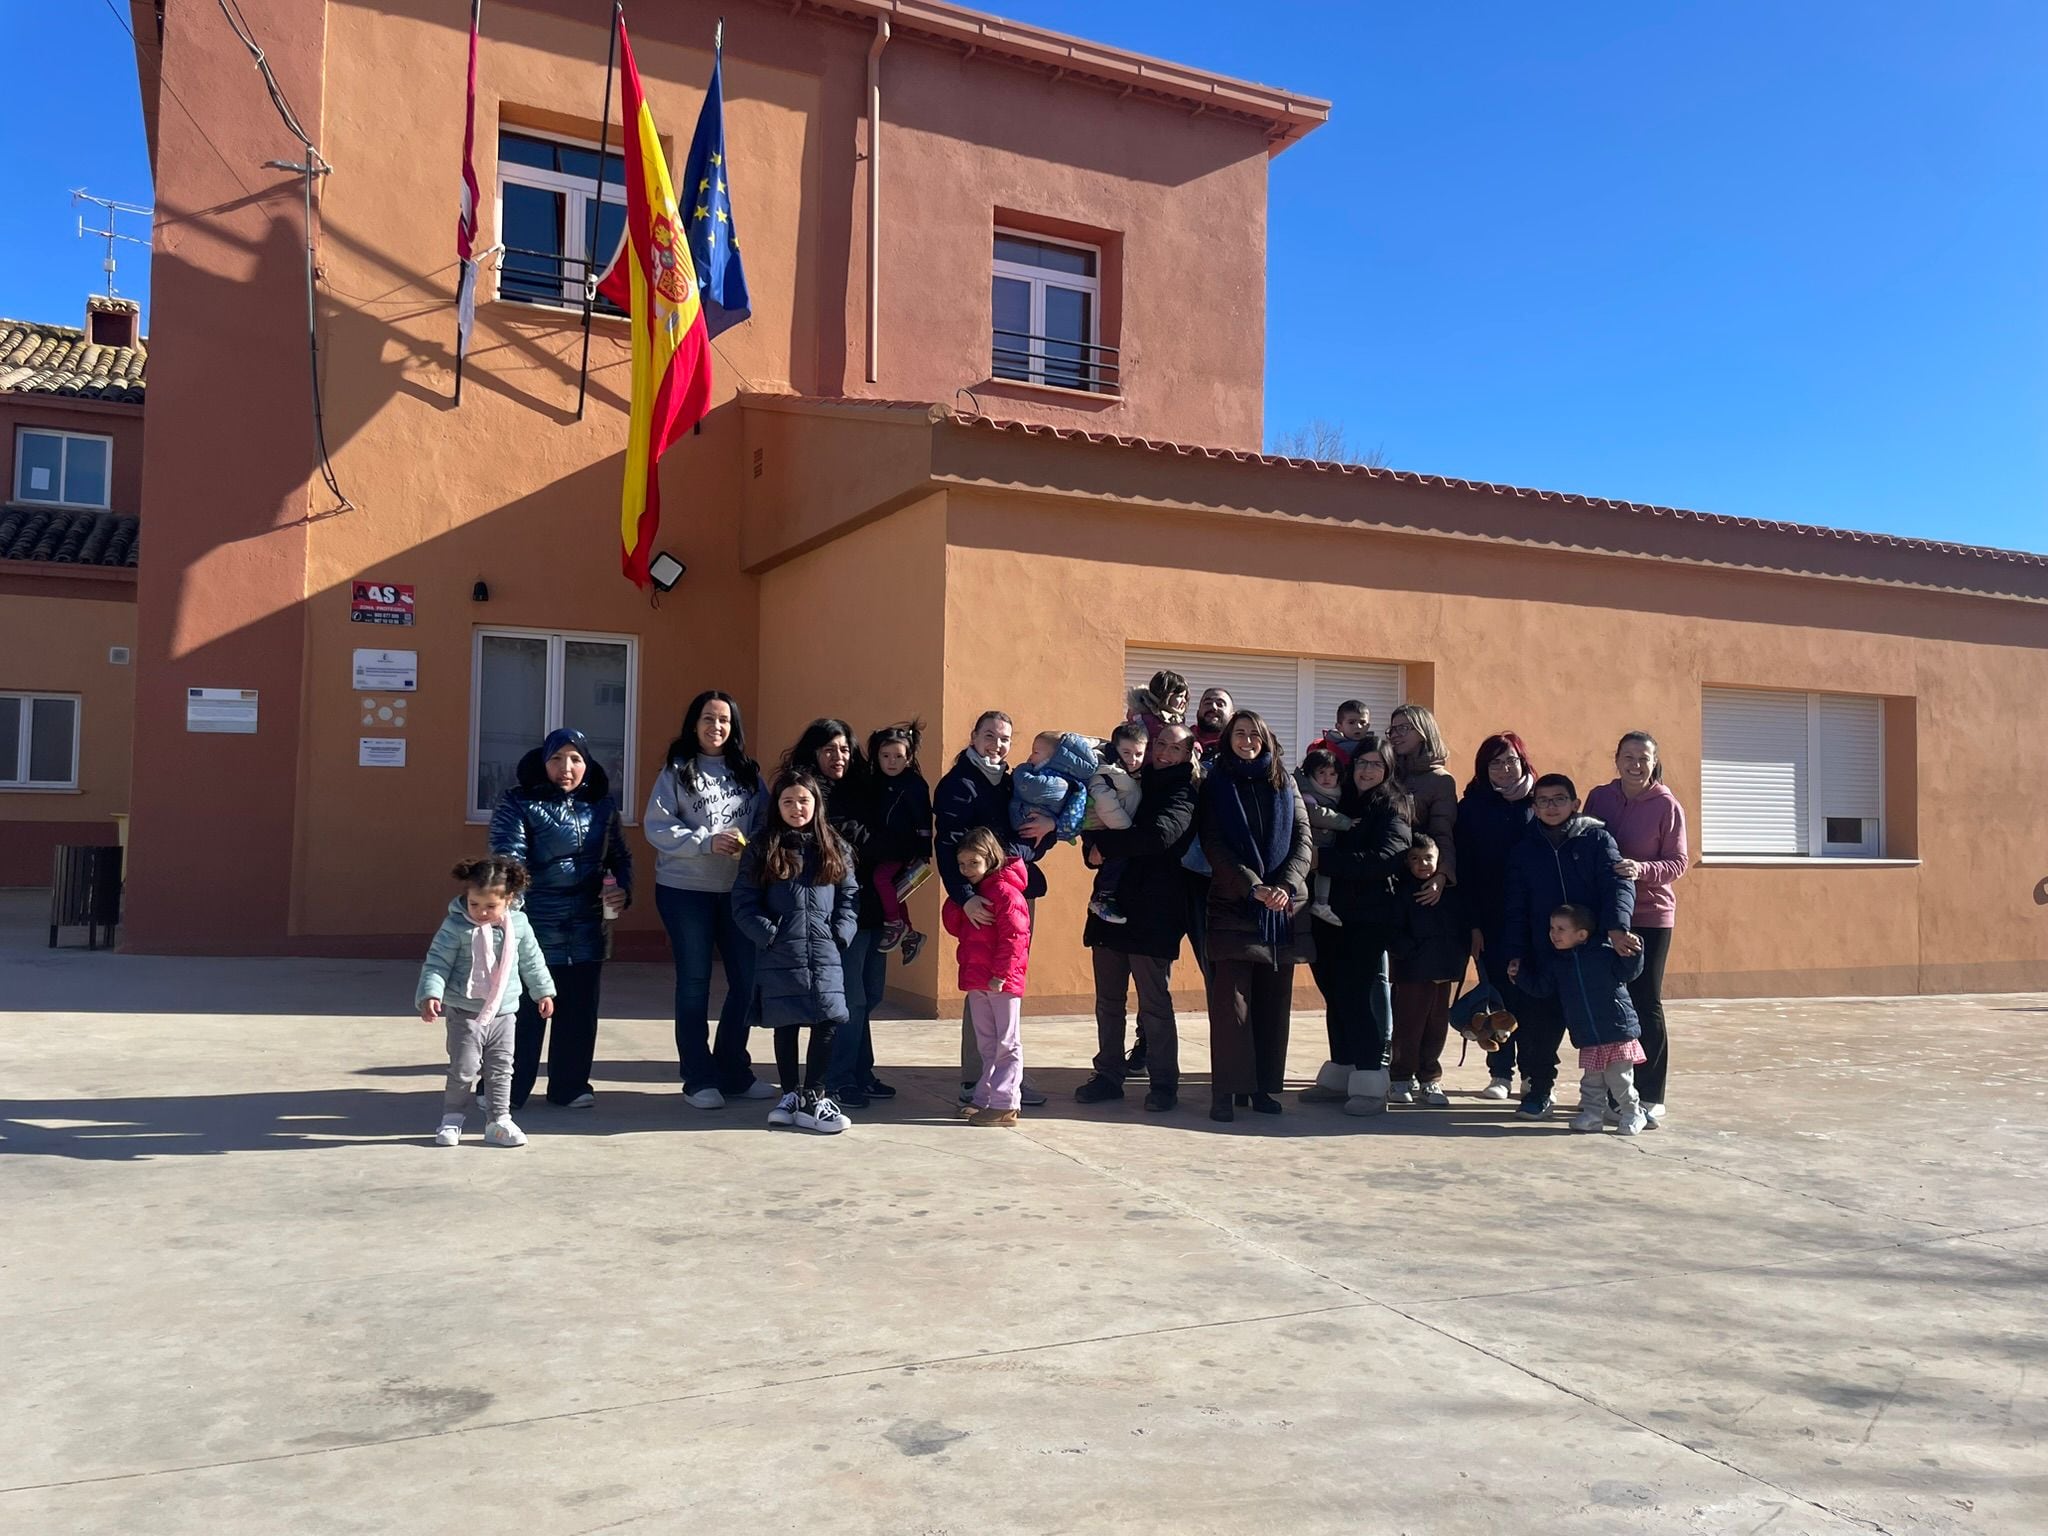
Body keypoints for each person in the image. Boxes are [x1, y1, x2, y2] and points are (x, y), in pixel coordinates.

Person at [643, 690, 773, 1112]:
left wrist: (753, 848)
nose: (715, 727)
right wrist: (704, 841)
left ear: (733, 727)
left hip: (737, 891)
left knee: (745, 982)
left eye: (723, 720)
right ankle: (698, 1077)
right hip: (685, 891)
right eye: (707, 719)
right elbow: (657, 827)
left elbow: (767, 823)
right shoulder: (677, 771)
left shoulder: (748, 773)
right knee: (695, 982)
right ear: (693, 724)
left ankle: (733, 1070)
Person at [489, 727, 630, 1111]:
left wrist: (622, 891)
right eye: (556, 758)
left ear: (587, 764)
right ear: (543, 761)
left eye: (575, 759)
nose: (565, 768)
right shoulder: (518, 802)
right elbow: (508, 858)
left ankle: (570, 1085)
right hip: (535, 924)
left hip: (588, 924)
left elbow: (619, 857)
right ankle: (505, 1089)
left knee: (580, 1010)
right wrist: (511, 911)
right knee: (525, 1011)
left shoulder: (602, 805)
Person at [1075, 723, 1201, 1111]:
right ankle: (1108, 1076)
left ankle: (1164, 1084)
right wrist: (1092, 847)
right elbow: (1095, 821)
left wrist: (1107, 846)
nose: (1164, 752)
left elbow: (1158, 838)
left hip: (1154, 915)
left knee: (1154, 1005)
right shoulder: (1129, 778)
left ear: (1187, 755)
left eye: (1174, 748)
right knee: (1108, 1002)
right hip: (1108, 909)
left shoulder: (1184, 793)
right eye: (1160, 743)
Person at [935, 710, 1055, 1106]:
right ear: (973, 737)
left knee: (1008, 985)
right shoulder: (957, 784)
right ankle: (977, 1078)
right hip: (980, 901)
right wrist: (964, 897)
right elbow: (947, 847)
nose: (997, 744)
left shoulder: (1011, 781)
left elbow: (1029, 836)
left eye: (1004, 738)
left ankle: (1007, 1078)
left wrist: (1049, 828)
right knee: (982, 984)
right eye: (990, 736)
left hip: (1016, 895)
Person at [1198, 709, 1313, 1123]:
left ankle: (1262, 1087)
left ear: (1265, 739)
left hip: (1281, 909)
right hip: (1234, 905)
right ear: (1228, 738)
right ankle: (1227, 1091)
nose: (1247, 740)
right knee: (1232, 1006)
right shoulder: (1216, 783)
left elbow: (1303, 839)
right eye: (1239, 733)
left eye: (1254, 734)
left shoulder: (1286, 782)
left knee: (1272, 1002)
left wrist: (1285, 885)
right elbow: (1213, 842)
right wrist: (1252, 886)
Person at [1501, 773, 1638, 1120]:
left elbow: (1617, 886)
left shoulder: (1597, 840)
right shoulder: (1524, 849)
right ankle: (1539, 1089)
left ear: (1575, 804)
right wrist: (1516, 953)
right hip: (1544, 950)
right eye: (1543, 800)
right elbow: (1515, 905)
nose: (1551, 807)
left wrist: (1617, 929)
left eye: (1559, 799)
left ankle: (1611, 1098)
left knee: (1602, 1027)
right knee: (1537, 1028)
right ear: (1534, 807)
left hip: (1593, 954)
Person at [731, 770, 859, 1134]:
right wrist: (768, 934)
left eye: (804, 800)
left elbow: (849, 896)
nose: (796, 807)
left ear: (816, 804)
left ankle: (815, 1096)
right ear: (777, 806)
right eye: (788, 801)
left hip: (825, 951)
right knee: (786, 1022)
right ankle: (789, 1094)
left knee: (829, 1019)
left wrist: (841, 934)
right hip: (780, 952)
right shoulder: (763, 846)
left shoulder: (835, 846)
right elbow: (743, 901)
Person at [780, 719, 894, 1111]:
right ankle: (839, 1079)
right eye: (829, 749)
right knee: (852, 999)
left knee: (871, 993)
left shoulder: (862, 787)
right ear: (814, 752)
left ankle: (861, 1071)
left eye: (844, 749)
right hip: (838, 912)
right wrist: (878, 840)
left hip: (873, 906)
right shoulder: (811, 795)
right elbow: (856, 838)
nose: (838, 756)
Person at [1302, 733, 1413, 1116]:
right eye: (1362, 763)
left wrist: (1325, 862)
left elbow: (1387, 858)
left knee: (1355, 995)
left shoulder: (1393, 805)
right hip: (1329, 916)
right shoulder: (1344, 799)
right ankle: (1342, 1070)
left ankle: (1369, 1080)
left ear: (1388, 769)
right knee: (1336, 995)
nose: (1367, 770)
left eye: (1376, 764)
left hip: (1368, 918)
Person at [1585, 731, 1688, 1129]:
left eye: (1643, 757)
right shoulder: (1601, 797)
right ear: (1617, 759)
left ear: (1654, 760)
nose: (1635, 764)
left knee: (1646, 1002)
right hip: (1608, 915)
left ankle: (1650, 1093)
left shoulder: (1666, 804)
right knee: (1612, 1004)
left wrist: (1641, 870)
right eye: (1628, 756)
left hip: (1650, 914)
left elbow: (1678, 863)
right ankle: (1614, 1092)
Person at [415, 855, 555, 1148]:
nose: (481, 912)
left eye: (491, 906)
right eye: (474, 904)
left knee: (502, 1068)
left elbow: (531, 960)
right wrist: (431, 994)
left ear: (509, 899)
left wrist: (542, 991)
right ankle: (452, 1119)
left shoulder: (518, 925)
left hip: (504, 1013)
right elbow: (437, 963)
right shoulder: (456, 927)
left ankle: (499, 1121)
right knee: (464, 1069)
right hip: (465, 1012)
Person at [1454, 732, 1539, 1100]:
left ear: (1523, 761)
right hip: (1489, 918)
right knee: (1498, 996)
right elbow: (1466, 869)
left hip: (1536, 918)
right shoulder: (1472, 807)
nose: (1505, 769)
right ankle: (1500, 1073)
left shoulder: (1541, 802)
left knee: (1534, 997)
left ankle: (1534, 1074)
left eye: (1511, 761)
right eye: (1495, 762)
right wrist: (1472, 923)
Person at [1517, 903, 1648, 1135]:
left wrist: (1635, 950)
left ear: (1581, 934)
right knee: (1591, 1082)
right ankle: (1591, 1115)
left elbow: (1629, 971)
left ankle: (1632, 1113)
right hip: (1587, 1035)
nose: (1553, 934)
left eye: (1560, 929)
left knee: (1620, 1080)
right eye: (1551, 928)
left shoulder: (1604, 953)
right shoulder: (1558, 963)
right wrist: (1520, 977)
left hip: (1617, 1031)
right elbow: (1542, 989)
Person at [940, 828, 1032, 1126]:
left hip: (1000, 981)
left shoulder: (1006, 893)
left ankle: (1006, 1103)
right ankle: (984, 1097)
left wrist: (1001, 975)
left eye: (974, 863)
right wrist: (959, 899)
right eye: (962, 864)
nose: (967, 870)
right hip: (977, 979)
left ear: (990, 859)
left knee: (1007, 1042)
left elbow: (1015, 938)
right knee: (987, 1044)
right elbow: (956, 926)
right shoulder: (975, 894)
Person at [1389, 835, 1466, 1107]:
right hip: (1412, 973)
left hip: (1442, 971)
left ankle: (1430, 1078)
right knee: (1408, 1027)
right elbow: (1394, 932)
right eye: (1415, 858)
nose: (1422, 864)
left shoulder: (1451, 892)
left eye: (1428, 858)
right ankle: (1399, 1078)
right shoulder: (1400, 892)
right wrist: (1411, 953)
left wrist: (1455, 961)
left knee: (1436, 1027)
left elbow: (1460, 929)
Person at [863, 720, 934, 964]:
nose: (892, 761)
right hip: (880, 846)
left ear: (909, 756)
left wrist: (924, 853)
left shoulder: (914, 784)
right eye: (886, 755)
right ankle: (910, 934)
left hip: (903, 848)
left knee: (881, 880)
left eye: (898, 756)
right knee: (893, 891)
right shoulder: (875, 780)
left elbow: (924, 819)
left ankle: (894, 923)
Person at [1387, 704, 1458, 903]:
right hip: (1383, 875)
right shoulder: (1388, 773)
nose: (1394, 735)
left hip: (1418, 880)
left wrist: (1442, 875)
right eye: (1392, 730)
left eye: (1402, 728)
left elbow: (1442, 832)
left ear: (1423, 730)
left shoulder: (1440, 780)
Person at [1083, 721, 1148, 925]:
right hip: (1103, 829)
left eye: (1139, 754)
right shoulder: (1104, 771)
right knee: (1116, 862)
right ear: (1114, 748)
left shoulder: (1129, 773)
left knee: (1117, 864)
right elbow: (1105, 805)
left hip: (1114, 827)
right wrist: (1127, 831)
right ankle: (1101, 898)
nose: (1133, 759)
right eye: (1127, 752)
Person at [1296, 745, 1353, 927]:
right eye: (1322, 772)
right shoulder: (1307, 793)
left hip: (1324, 848)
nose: (1327, 778)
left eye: (1332, 774)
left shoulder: (1336, 795)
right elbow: (1316, 815)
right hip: (1309, 845)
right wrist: (1346, 822)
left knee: (1325, 872)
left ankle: (1321, 903)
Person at [1009, 730, 1098, 843]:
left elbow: (1027, 785)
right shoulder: (1059, 780)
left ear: (1053, 760)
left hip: (1028, 831)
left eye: (1035, 752)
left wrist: (1022, 768)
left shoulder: (1058, 784)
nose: (1030, 757)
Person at [1126, 669, 1189, 741]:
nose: (1184, 701)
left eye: (1185, 697)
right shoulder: (1144, 722)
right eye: (1180, 696)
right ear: (1165, 695)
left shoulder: (1177, 719)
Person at [1306, 700, 1371, 765]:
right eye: (1351, 722)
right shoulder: (1334, 748)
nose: (1358, 726)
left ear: (1368, 726)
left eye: (1362, 723)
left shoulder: (1373, 746)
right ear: (1339, 727)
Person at [1189, 687, 1235, 762]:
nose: (1213, 707)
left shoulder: (1239, 748)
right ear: (1198, 712)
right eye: (1208, 703)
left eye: (1220, 704)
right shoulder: (1181, 741)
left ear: (1232, 717)